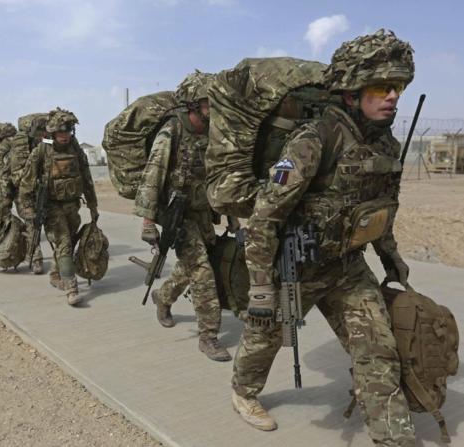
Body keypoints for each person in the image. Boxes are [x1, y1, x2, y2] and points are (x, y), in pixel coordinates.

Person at [231, 29, 416, 446]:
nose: (392, 96)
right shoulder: (314, 140)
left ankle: (394, 437)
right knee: (265, 339)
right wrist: (260, 287)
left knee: (378, 352)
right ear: (352, 92)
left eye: (398, 87)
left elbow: (381, 208)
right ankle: (243, 392)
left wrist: (390, 256)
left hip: (347, 268)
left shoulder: (386, 144)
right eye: (381, 87)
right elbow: (264, 217)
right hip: (295, 268)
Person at [134, 71, 232, 362]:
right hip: (178, 214)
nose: (214, 108)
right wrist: (148, 222)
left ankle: (163, 297)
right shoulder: (172, 131)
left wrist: (232, 215)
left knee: (194, 265)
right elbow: (153, 175)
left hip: (203, 212)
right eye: (208, 103)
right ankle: (208, 336)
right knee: (202, 272)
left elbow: (221, 174)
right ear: (193, 104)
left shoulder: (213, 133)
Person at [19, 108, 98, 305]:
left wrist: (93, 205)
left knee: (69, 240)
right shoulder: (41, 150)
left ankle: (56, 274)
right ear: (52, 133)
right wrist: (28, 207)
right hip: (51, 206)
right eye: (60, 132)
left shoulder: (75, 149)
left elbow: (86, 178)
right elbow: (26, 182)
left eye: (68, 131)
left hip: (72, 204)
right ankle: (71, 287)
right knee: (64, 242)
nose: (65, 135)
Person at [0, 114, 48, 274]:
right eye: (40, 131)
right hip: (22, 190)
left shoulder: (43, 142)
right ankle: (36, 257)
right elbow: (17, 177)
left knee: (41, 223)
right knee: (32, 222)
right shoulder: (20, 146)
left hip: (40, 190)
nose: (43, 134)